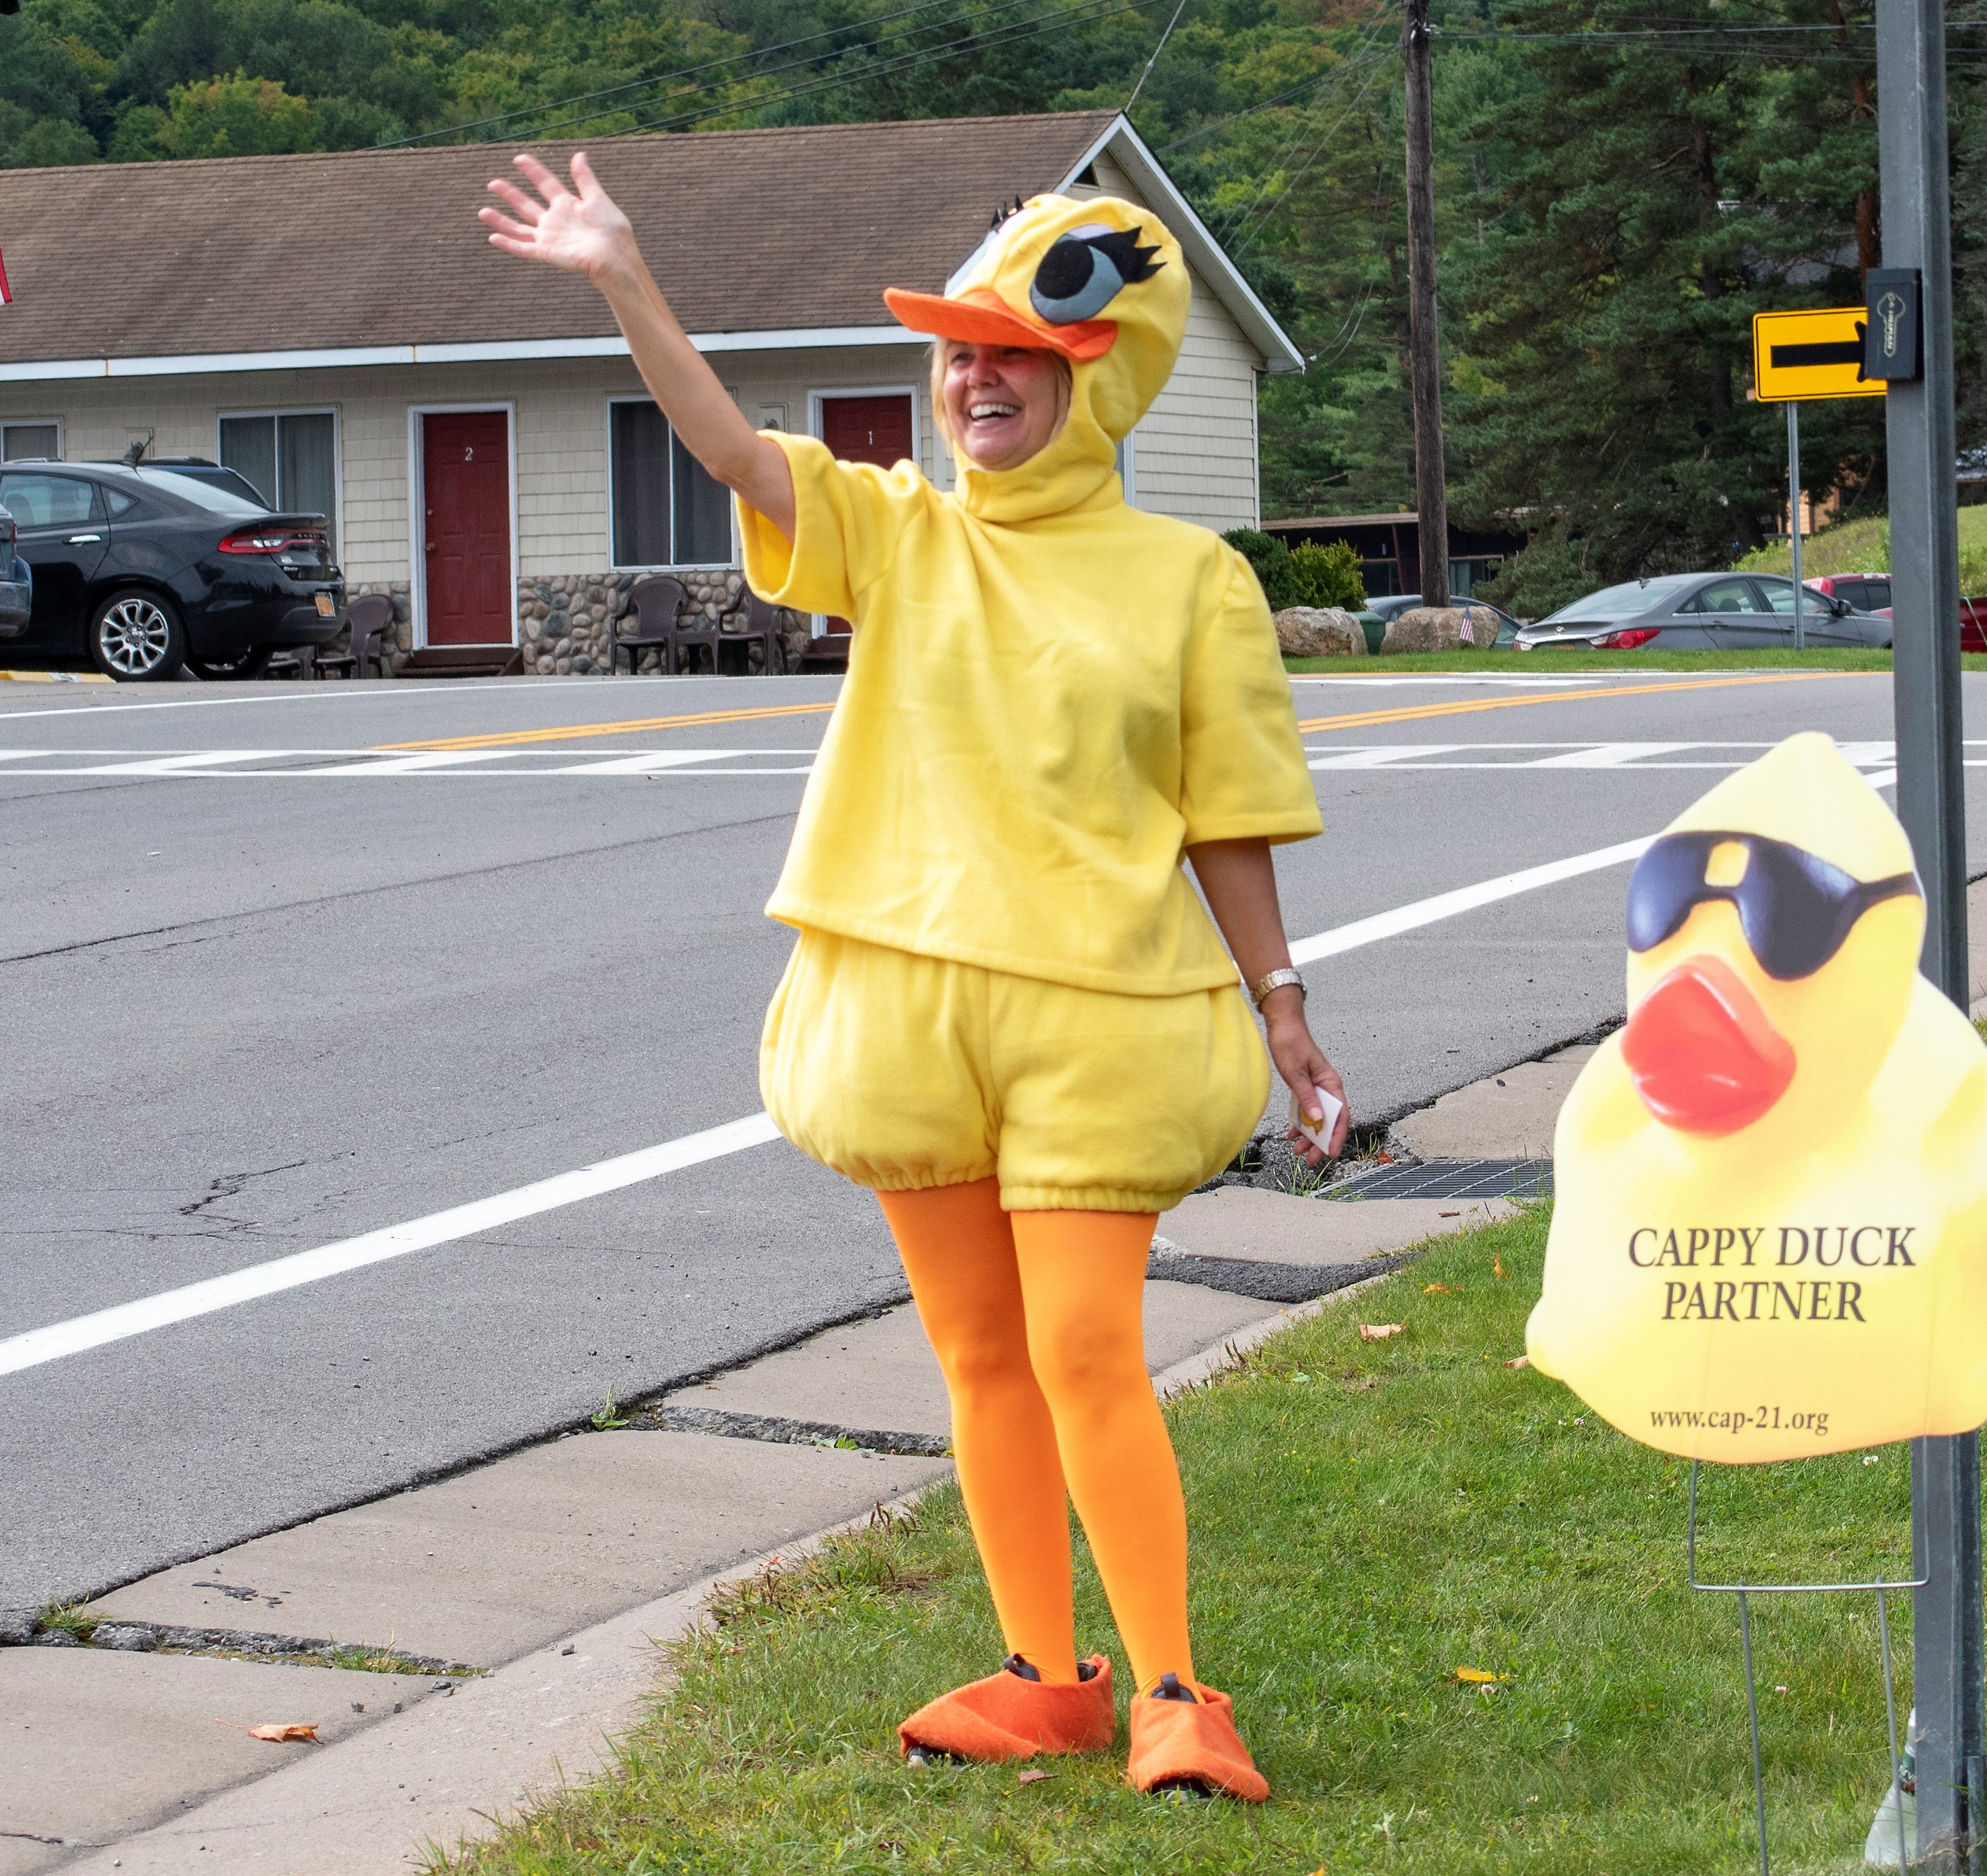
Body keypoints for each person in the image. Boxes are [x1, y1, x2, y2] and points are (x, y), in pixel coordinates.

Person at [483, 152, 1347, 1803]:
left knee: (1088, 1345)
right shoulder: (893, 532)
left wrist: (1286, 1009)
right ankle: (1047, 1674)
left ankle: (1173, 1685)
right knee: (975, 1353)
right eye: (957, 356)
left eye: (1010, 354)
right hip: (911, 1011)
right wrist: (622, 277)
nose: (972, 381)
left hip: (1098, 1017)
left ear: (1098, 376)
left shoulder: (1190, 582)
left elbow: (1230, 820)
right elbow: (732, 448)